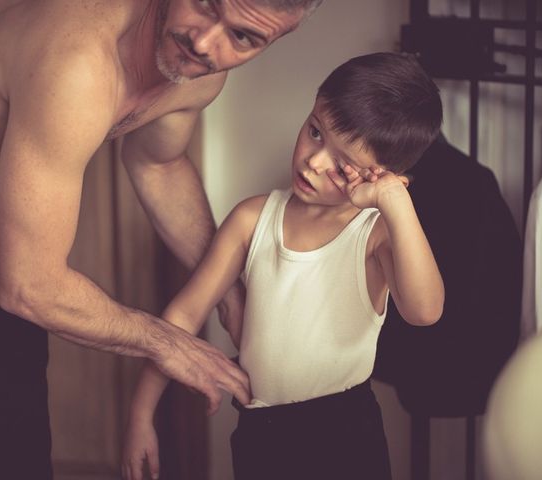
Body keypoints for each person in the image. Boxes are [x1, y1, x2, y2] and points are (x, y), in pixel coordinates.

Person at [0, 0, 323, 478]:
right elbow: (31, 287)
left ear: (277, 38)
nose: (203, 42)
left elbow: (158, 164)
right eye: (206, 6)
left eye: (243, 37)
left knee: (8, 437)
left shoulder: (200, 75)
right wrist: (167, 343)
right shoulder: (79, 62)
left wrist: (226, 288)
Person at [123, 52, 445, 480]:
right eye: (315, 131)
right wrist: (140, 415)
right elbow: (183, 315)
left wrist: (395, 204)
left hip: (345, 433)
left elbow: (425, 312)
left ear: (380, 175)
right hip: (261, 431)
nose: (314, 161)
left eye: (341, 164)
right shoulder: (252, 219)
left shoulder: (375, 235)